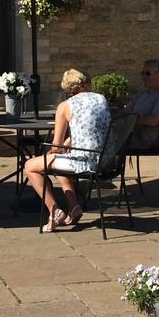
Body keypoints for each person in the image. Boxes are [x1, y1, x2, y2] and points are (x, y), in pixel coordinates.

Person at [23, 68, 110, 233]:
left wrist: (55, 150)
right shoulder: (101, 99)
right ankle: (74, 206)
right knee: (60, 160)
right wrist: (69, 142)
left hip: (85, 161)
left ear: (68, 89)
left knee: (30, 166)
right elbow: (93, 129)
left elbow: (56, 147)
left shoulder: (65, 106)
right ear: (85, 83)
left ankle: (54, 211)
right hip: (105, 158)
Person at [125, 58, 159, 149]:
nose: (144, 77)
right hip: (132, 135)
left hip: (145, 140)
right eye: (142, 73)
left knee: (110, 142)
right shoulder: (142, 93)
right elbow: (126, 110)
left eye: (147, 74)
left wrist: (132, 122)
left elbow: (153, 121)